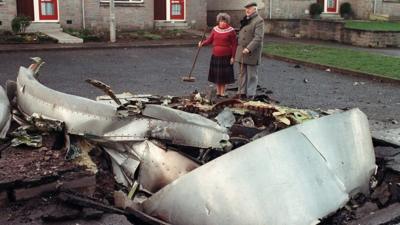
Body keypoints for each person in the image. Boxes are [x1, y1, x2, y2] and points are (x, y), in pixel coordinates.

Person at [199, 13, 237, 98]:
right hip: (216, 55)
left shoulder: (231, 31)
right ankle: (218, 92)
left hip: (226, 57)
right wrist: (202, 43)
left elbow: (234, 44)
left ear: (227, 22)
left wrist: (233, 57)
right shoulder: (215, 29)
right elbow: (210, 40)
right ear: (218, 21)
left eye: (224, 21)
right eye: (221, 21)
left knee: (223, 76)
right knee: (217, 75)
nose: (222, 23)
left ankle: (222, 92)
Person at [235, 2, 265, 99]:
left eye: (249, 8)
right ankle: (241, 92)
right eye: (246, 8)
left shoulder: (259, 21)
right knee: (241, 73)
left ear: (255, 9)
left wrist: (249, 48)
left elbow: (258, 37)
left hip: (252, 52)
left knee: (252, 75)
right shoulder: (246, 20)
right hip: (241, 51)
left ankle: (250, 94)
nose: (247, 10)